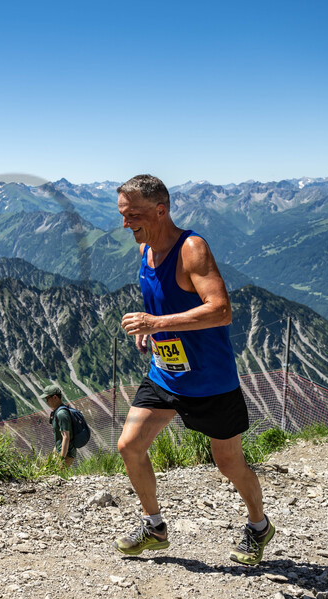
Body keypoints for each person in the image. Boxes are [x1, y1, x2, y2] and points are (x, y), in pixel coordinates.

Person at [114, 174, 274, 566]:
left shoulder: (192, 249)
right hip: (166, 374)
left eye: (133, 214)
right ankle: (154, 525)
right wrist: (150, 332)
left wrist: (157, 324)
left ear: (161, 209)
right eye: (122, 215)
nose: (125, 223)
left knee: (228, 463)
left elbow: (220, 310)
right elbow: (163, 307)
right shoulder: (146, 252)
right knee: (130, 446)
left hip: (210, 381)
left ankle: (259, 526)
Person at [41, 385, 75, 467]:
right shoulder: (58, 411)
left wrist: (61, 459)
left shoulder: (61, 414)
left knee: (56, 476)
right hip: (59, 450)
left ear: (55, 397)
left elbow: (66, 437)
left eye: (47, 398)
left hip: (66, 454)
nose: (46, 401)